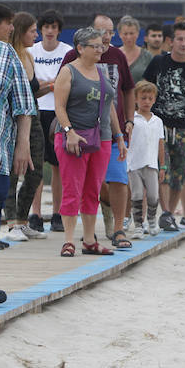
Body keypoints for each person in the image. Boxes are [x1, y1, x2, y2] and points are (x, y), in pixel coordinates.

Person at [62, 14, 135, 249]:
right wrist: (68, 131)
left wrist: (121, 133)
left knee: (105, 184)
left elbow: (114, 102)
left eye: (109, 35)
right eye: (97, 42)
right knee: (75, 187)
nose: (104, 44)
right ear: (82, 46)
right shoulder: (70, 65)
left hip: (104, 134)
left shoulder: (107, 65)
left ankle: (102, 235)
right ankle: (70, 239)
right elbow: (59, 104)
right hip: (76, 134)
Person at [142, 21, 185, 232]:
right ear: (171, 42)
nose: (183, 44)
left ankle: (169, 213)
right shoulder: (158, 62)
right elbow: (145, 88)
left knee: (180, 174)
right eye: (179, 39)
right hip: (159, 126)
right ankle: (164, 212)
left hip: (183, 127)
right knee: (163, 170)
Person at [0, 3, 36, 305]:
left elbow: (23, 105)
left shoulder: (6, 55)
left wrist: (23, 146)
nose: (12, 29)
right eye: (8, 24)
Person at [3, 12, 47, 241]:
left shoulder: (28, 56)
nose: (36, 35)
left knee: (35, 170)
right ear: (21, 31)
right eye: (32, 31)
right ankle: (11, 222)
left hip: (35, 116)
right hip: (12, 118)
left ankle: (22, 219)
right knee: (11, 171)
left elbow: (32, 91)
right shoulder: (9, 56)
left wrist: (51, 87)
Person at [27, 9, 70, 233]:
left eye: (54, 27)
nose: (50, 31)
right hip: (36, 111)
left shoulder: (68, 51)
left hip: (59, 111)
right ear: (41, 29)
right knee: (35, 164)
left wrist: (48, 85)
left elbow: (65, 81)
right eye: (46, 27)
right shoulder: (30, 51)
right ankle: (35, 213)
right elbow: (31, 84)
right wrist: (50, 84)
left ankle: (57, 213)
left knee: (59, 165)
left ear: (59, 30)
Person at [126, 81, 165, 238]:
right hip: (134, 163)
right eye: (143, 98)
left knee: (153, 195)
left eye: (150, 98)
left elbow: (160, 144)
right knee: (136, 195)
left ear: (154, 100)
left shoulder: (158, 121)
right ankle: (138, 226)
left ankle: (152, 221)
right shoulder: (132, 119)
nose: (147, 101)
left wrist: (163, 166)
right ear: (136, 99)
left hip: (151, 163)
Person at [118, 15, 153, 86]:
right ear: (120, 34)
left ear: (137, 33)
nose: (129, 37)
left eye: (131, 33)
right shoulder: (115, 55)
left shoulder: (147, 56)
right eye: (125, 34)